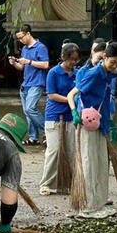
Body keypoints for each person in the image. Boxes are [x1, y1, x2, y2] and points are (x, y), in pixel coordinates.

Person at [70, 41, 117, 218]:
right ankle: (87, 207)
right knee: (89, 163)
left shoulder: (109, 73)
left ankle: (99, 204)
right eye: (113, 62)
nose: (115, 66)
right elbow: (72, 94)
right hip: (88, 124)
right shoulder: (93, 74)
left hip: (101, 124)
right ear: (104, 57)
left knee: (101, 163)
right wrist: (74, 112)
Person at [39, 42, 80, 194]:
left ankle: (68, 183)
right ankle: (46, 183)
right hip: (54, 116)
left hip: (71, 116)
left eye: (76, 60)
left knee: (71, 151)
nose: (74, 63)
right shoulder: (53, 73)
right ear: (63, 57)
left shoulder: (77, 73)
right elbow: (52, 95)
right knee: (54, 150)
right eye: (71, 59)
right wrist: (71, 100)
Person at [8, 25, 49, 145]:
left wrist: (29, 61)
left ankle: (47, 131)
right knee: (27, 112)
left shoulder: (40, 47)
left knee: (30, 108)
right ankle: (33, 137)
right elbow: (22, 67)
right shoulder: (25, 49)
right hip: (26, 83)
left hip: (37, 82)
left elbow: (45, 64)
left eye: (21, 37)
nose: (20, 40)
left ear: (28, 34)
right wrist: (14, 63)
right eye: (18, 38)